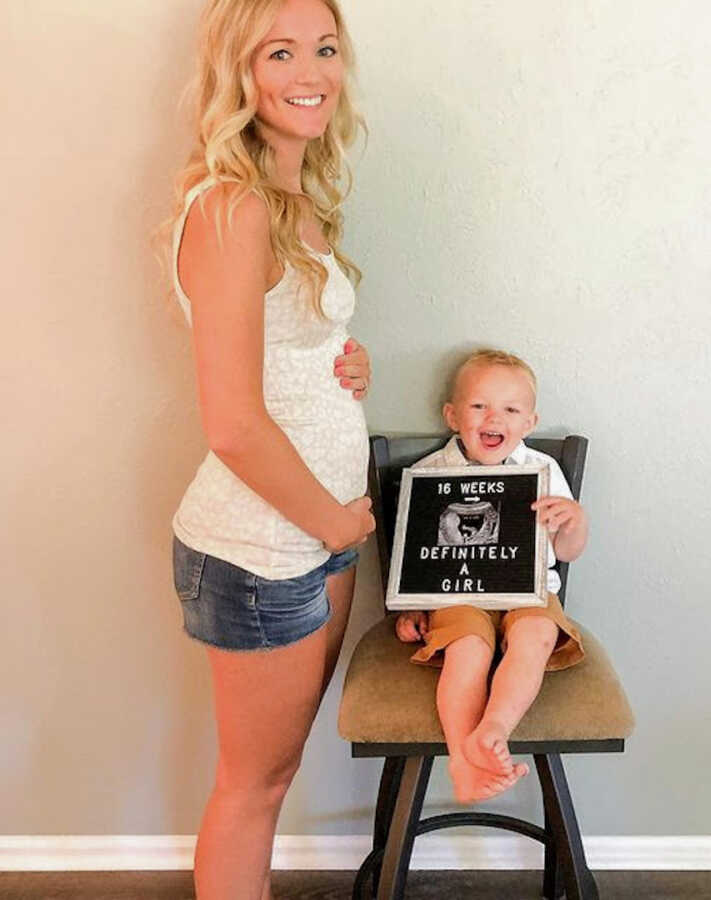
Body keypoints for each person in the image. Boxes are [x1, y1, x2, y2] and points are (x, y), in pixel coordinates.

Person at [164, 0, 373, 896]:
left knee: (272, 780)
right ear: (238, 74)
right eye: (279, 53)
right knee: (252, 788)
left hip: (319, 539)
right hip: (265, 549)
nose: (309, 73)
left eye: (324, 50)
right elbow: (233, 422)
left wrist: (341, 359)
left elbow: (279, 350)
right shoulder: (231, 209)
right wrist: (331, 522)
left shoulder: (294, 197)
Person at [395, 350, 589, 804]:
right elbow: (418, 559)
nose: (493, 418)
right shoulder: (429, 475)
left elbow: (566, 553)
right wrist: (414, 607)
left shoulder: (542, 472)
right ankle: (463, 763)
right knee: (467, 650)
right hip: (458, 596)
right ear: (452, 415)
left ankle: (494, 729)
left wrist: (575, 521)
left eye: (510, 409)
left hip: (528, 593)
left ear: (529, 422)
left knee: (539, 633)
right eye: (480, 406)